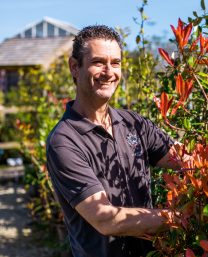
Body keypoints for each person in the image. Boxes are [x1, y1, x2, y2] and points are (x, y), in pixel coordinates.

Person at [46, 25, 181, 257]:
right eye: (99, 62)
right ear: (75, 67)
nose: (109, 72)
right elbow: (106, 220)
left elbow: (186, 160)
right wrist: (180, 218)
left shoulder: (133, 123)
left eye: (116, 63)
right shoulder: (64, 142)